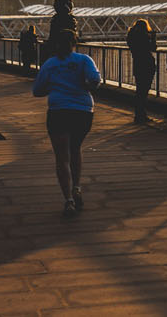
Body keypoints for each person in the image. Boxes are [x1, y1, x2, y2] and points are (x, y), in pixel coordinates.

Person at [33, 29, 102, 217]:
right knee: (76, 148)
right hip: (83, 111)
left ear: (55, 45)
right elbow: (95, 80)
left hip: (59, 110)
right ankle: (77, 187)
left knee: (61, 156)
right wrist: (83, 87)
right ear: (74, 43)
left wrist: (56, 87)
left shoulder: (50, 64)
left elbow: (37, 91)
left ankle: (68, 201)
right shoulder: (84, 60)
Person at [126, 19, 157, 124]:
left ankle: (138, 115)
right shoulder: (144, 37)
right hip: (147, 64)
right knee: (144, 91)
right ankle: (141, 115)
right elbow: (153, 48)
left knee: (140, 91)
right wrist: (153, 38)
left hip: (138, 65)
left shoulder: (131, 38)